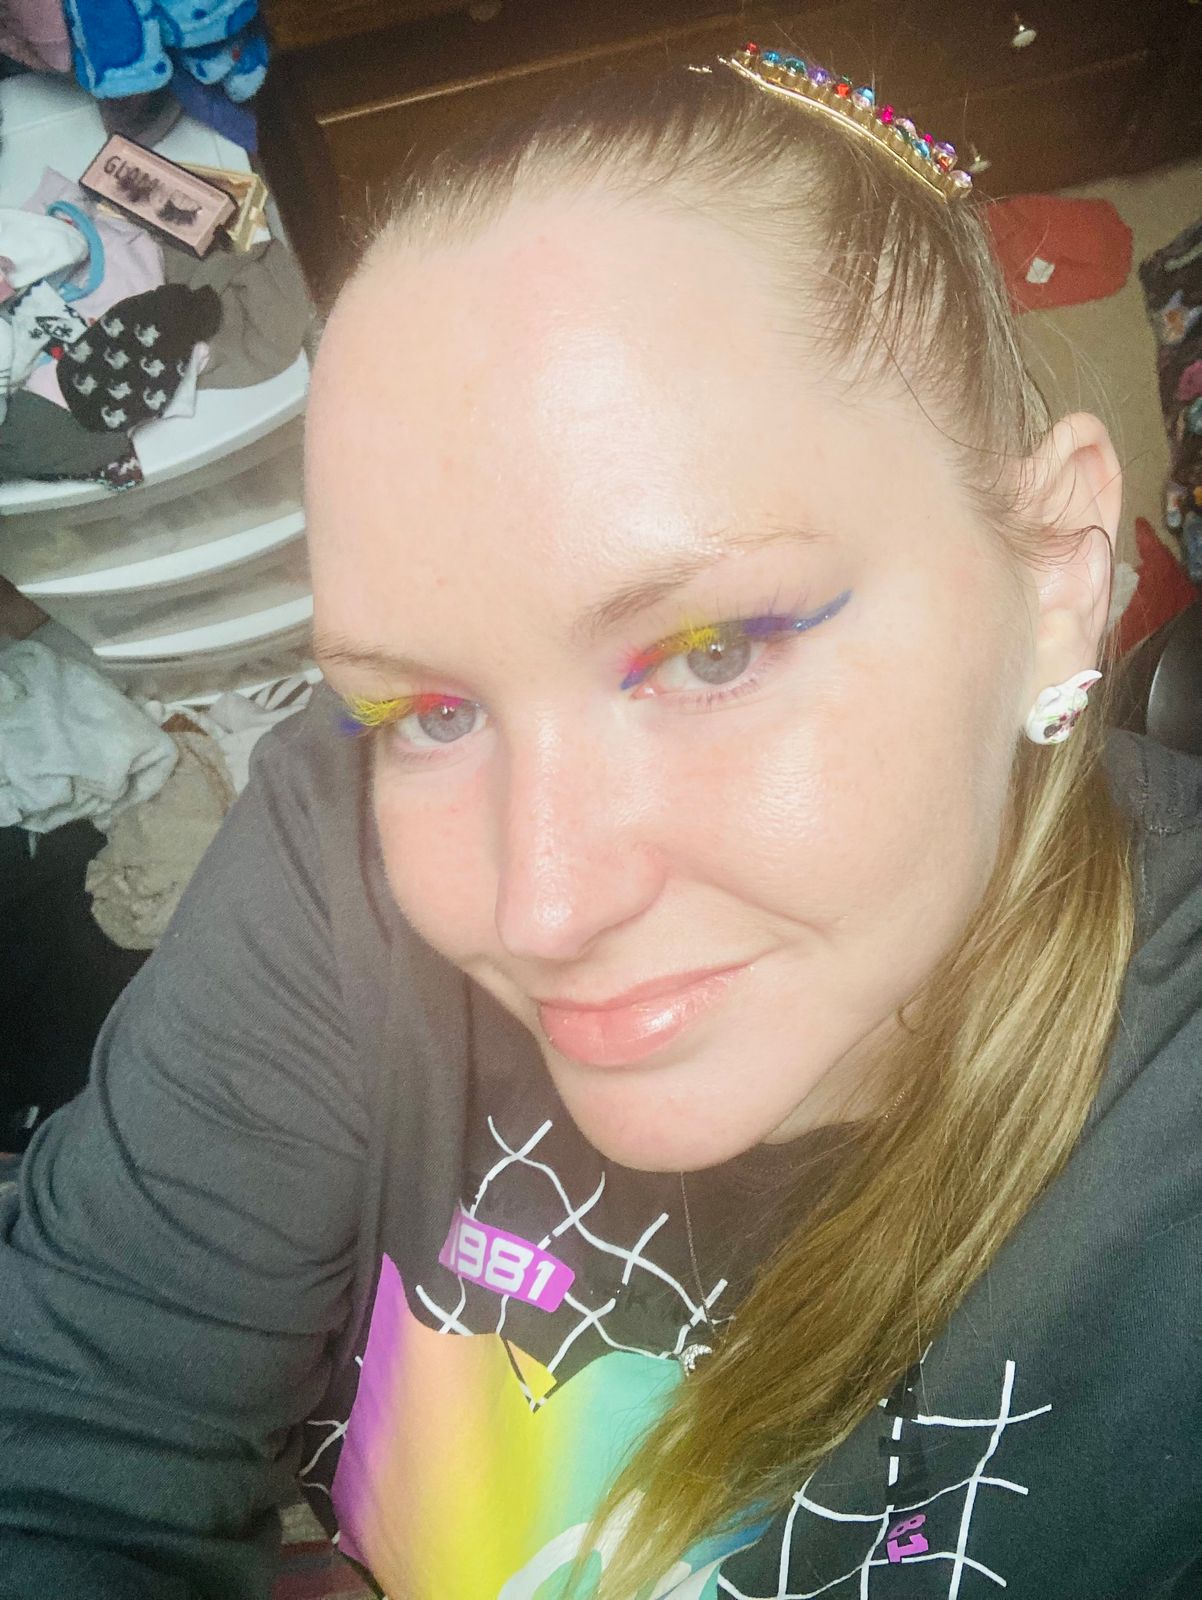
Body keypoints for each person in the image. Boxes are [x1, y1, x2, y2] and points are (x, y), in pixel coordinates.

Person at [2, 42, 1201, 1600]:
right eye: (429, 711)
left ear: (1052, 573)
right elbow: (63, 1441)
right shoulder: (333, 829)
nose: (538, 908)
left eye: (709, 655)